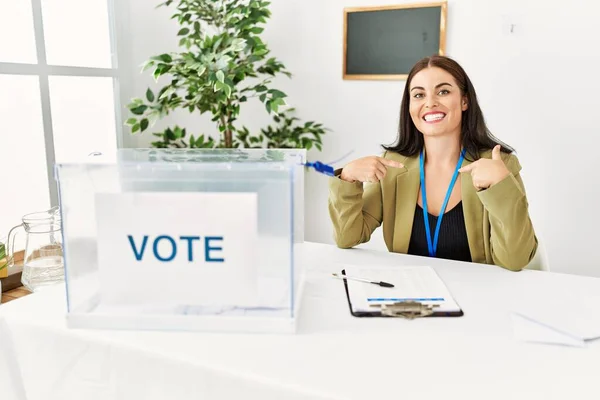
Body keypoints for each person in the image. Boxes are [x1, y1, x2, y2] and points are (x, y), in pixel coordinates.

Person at [328, 55, 537, 271]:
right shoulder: (392, 165)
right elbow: (347, 237)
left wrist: (500, 185)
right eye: (419, 95)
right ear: (409, 107)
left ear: (464, 101)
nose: (430, 103)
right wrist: (347, 178)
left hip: (477, 298)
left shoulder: (499, 165)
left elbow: (515, 260)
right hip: (410, 295)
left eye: (443, 91)